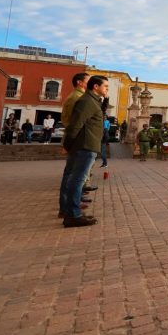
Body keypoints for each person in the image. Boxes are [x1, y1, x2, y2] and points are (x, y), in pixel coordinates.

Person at [61, 75, 108, 227]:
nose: (107, 89)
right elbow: (75, 125)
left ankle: (71, 212)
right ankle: (73, 215)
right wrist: (68, 145)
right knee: (77, 180)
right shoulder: (87, 101)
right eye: (105, 86)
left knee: (75, 179)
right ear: (96, 87)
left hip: (86, 145)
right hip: (85, 145)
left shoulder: (92, 101)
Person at [58, 72, 92, 219]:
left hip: (76, 138)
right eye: (88, 80)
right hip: (78, 139)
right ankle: (68, 208)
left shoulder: (78, 96)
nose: (91, 83)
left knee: (72, 174)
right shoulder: (77, 98)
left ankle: (70, 205)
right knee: (73, 175)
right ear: (79, 82)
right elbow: (76, 122)